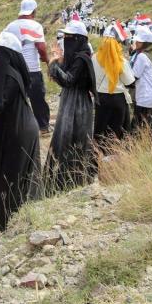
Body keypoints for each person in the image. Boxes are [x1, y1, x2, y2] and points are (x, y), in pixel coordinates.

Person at [0, 31, 41, 234]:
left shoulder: (10, 77)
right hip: (10, 129)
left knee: (10, 176)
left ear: (7, 55)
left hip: (20, 131)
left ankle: (3, 222)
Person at [44, 20, 96, 193]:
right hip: (70, 101)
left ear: (77, 39)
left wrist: (54, 63)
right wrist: (57, 61)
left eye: (68, 37)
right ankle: (61, 182)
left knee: (75, 139)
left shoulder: (82, 58)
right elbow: (63, 79)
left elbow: (68, 80)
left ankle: (75, 180)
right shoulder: (76, 56)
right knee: (64, 138)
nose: (65, 40)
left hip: (78, 104)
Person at [4, 0, 51, 134]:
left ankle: (17, 128)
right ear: (33, 11)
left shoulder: (10, 26)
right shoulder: (35, 26)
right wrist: (47, 61)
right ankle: (43, 127)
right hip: (32, 70)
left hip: (15, 71)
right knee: (38, 100)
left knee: (17, 100)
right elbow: (41, 47)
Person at [92, 28, 136, 146]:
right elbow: (129, 82)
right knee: (119, 130)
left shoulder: (94, 58)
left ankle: (99, 157)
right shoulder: (121, 60)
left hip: (101, 98)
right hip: (118, 99)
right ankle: (118, 157)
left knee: (101, 129)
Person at [130, 26, 152, 132]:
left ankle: (142, 145)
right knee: (149, 122)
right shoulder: (150, 54)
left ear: (145, 43)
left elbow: (134, 76)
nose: (137, 43)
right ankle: (150, 144)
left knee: (138, 124)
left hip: (145, 95)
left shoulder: (142, 57)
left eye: (139, 41)